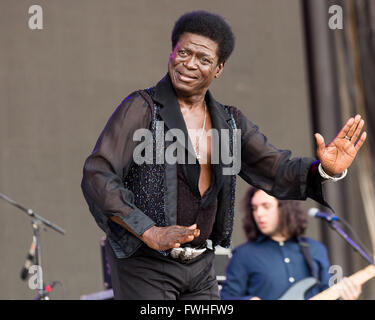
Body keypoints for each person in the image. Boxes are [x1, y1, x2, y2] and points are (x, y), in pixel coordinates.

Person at [80, 11, 367, 300]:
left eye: (203, 59)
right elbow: (98, 174)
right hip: (146, 266)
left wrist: (324, 170)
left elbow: (277, 169)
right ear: (172, 52)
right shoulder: (141, 108)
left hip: (200, 267)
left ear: (218, 68)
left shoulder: (230, 122)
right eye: (184, 53)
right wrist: (149, 231)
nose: (189, 64)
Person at [220, 187, 363, 300]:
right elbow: (225, 299)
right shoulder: (244, 254)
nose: (259, 214)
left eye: (266, 206)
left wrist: (346, 297)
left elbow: (326, 293)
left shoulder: (316, 249)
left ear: (285, 208)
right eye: (254, 208)